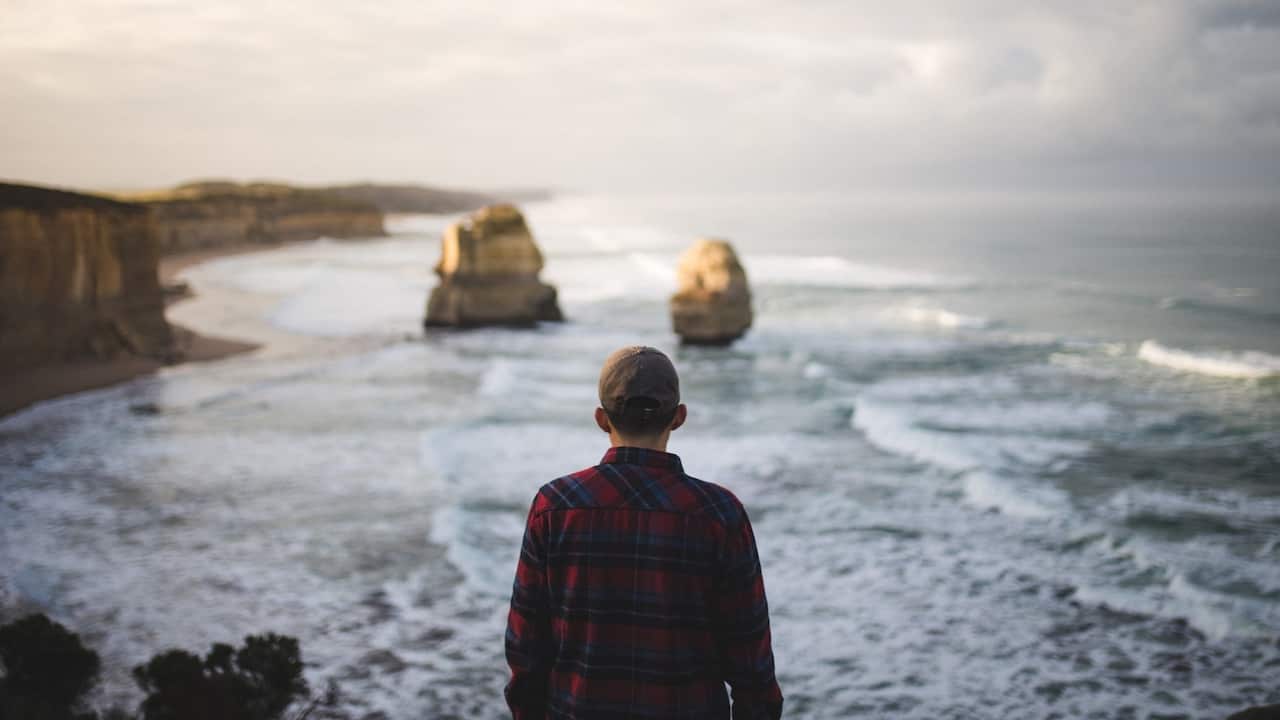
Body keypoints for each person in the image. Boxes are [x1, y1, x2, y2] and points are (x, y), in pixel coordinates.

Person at [504, 345, 783, 720]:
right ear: (679, 417)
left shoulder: (554, 506)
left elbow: (526, 652)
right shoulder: (720, 514)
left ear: (602, 419)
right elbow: (752, 665)